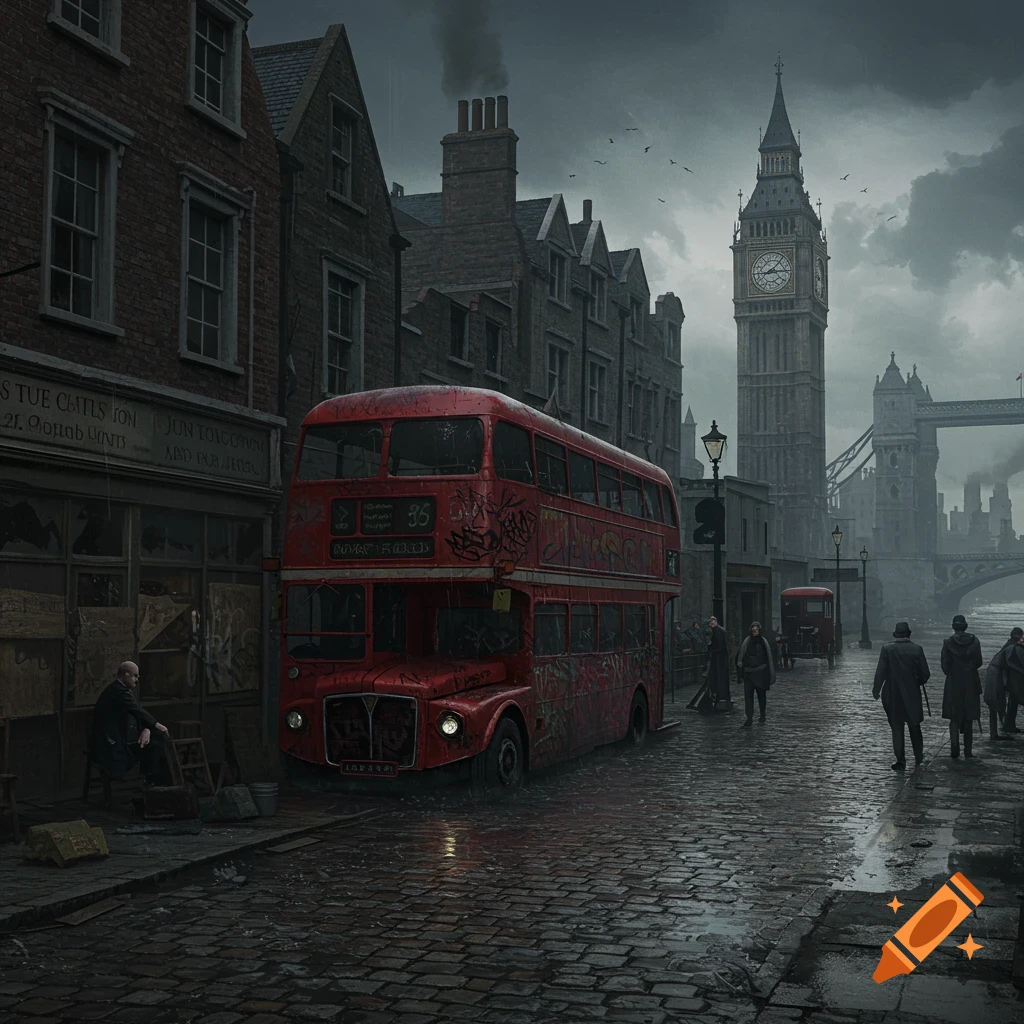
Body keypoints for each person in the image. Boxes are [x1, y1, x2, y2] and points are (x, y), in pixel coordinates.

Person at [90, 661, 173, 786]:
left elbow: (135, 714)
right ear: (126, 675)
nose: (137, 680)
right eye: (135, 676)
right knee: (156, 746)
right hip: (110, 747)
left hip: (120, 741)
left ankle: (154, 784)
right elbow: (137, 710)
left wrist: (147, 730)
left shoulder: (122, 691)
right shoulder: (118, 691)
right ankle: (153, 784)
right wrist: (158, 726)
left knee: (155, 745)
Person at [872, 621, 930, 770]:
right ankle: (918, 757)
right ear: (909, 634)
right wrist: (916, 681)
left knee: (897, 728)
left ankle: (900, 760)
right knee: (914, 726)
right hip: (912, 694)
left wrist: (876, 690)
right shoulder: (917, 649)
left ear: (895, 635)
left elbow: (881, 672)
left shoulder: (887, 649)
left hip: (891, 694)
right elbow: (925, 674)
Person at [940, 614, 983, 759]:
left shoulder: (947, 643)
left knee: (954, 717)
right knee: (969, 717)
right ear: (965, 626)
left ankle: (954, 748)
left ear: (953, 627)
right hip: (970, 681)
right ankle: (968, 751)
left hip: (953, 682)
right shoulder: (975, 641)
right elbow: (979, 662)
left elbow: (945, 666)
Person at [983, 627, 1022, 741]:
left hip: (996, 672)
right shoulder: (1012, 647)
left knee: (997, 701)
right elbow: (1013, 664)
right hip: (996, 673)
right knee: (995, 701)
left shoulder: (1010, 645)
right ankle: (994, 733)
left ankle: (1003, 727)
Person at [736, 621, 775, 727]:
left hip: (761, 674)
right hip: (748, 674)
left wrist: (769, 675)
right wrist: (740, 675)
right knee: (748, 698)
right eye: (753, 630)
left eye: (756, 630)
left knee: (761, 697)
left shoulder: (763, 642)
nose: (755, 632)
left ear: (759, 630)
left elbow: (769, 658)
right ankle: (749, 718)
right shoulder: (747, 642)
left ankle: (762, 714)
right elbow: (740, 658)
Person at [706, 616, 730, 709]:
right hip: (721, 657)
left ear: (716, 622)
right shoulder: (719, 630)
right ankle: (720, 696)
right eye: (710, 623)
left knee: (719, 678)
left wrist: (712, 649)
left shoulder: (718, 631)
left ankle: (719, 696)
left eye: (712, 622)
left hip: (719, 658)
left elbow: (719, 645)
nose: (711, 624)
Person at [1004, 631, 1024, 733]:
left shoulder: (1008, 645)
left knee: (1012, 702)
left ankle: (1008, 724)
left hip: (1009, 678)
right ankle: (1009, 725)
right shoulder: (1016, 647)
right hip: (1015, 678)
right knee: (1014, 702)